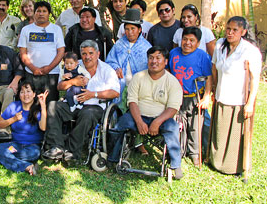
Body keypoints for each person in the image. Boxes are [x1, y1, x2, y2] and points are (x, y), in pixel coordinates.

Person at [107, 46, 184, 180]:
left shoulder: (172, 82)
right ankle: (113, 158)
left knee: (172, 128)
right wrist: (139, 122)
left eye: (158, 58)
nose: (154, 61)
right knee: (121, 124)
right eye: (151, 58)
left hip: (161, 118)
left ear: (165, 61)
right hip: (138, 116)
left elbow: (173, 108)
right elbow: (132, 102)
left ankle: (175, 164)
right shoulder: (139, 77)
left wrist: (157, 122)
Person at [43, 40, 119, 162]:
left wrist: (93, 94)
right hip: (73, 103)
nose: (87, 57)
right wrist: (73, 82)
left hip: (94, 106)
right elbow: (59, 86)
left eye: (90, 53)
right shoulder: (73, 64)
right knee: (53, 106)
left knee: (87, 114)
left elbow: (115, 92)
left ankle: (71, 151)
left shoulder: (107, 70)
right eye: (84, 53)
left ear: (98, 54)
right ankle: (56, 147)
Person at [209, 16, 262, 174]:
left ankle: (234, 167)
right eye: (228, 29)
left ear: (243, 32)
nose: (230, 33)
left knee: (235, 135)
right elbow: (214, 68)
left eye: (235, 30)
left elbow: (254, 79)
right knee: (220, 131)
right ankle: (216, 161)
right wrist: (212, 89)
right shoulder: (220, 45)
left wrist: (250, 103)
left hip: (238, 100)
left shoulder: (249, 51)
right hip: (221, 95)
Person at [169, 26, 212, 166]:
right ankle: (179, 151)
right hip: (177, 96)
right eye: (185, 39)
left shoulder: (203, 56)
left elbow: (209, 77)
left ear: (198, 43)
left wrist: (206, 96)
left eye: (192, 40)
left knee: (195, 126)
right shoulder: (174, 53)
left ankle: (195, 153)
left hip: (194, 97)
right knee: (179, 124)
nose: (187, 43)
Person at [0, 81, 48, 175]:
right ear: (19, 94)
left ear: (34, 94)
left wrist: (43, 106)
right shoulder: (14, 106)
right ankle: (26, 166)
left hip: (32, 148)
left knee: (33, 154)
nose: (25, 95)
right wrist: (13, 119)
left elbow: (43, 128)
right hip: (15, 145)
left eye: (28, 91)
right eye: (22, 92)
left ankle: (1, 158)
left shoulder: (38, 109)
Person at [18, 1, 65, 103]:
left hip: (52, 73)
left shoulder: (56, 29)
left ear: (48, 13)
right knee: (31, 103)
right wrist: (33, 68)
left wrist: (49, 68)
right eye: (38, 11)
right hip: (31, 73)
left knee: (50, 104)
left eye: (44, 11)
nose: (41, 13)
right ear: (34, 13)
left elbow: (61, 51)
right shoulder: (26, 30)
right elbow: (22, 52)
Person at [106, 8, 152, 110]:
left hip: (138, 87)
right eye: (127, 29)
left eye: (133, 29)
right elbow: (109, 61)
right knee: (119, 109)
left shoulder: (146, 47)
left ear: (139, 30)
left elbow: (150, 67)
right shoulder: (119, 44)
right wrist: (116, 67)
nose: (129, 32)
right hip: (120, 84)